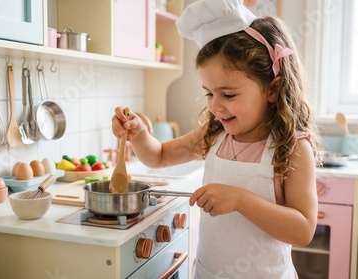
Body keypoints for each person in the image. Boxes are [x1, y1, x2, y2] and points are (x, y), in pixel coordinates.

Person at [111, 0, 322, 277]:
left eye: (229, 94)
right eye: (209, 93)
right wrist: (139, 135)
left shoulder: (292, 148)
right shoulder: (214, 135)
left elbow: (303, 230)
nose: (216, 106)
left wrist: (240, 200)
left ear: (272, 89)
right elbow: (159, 156)